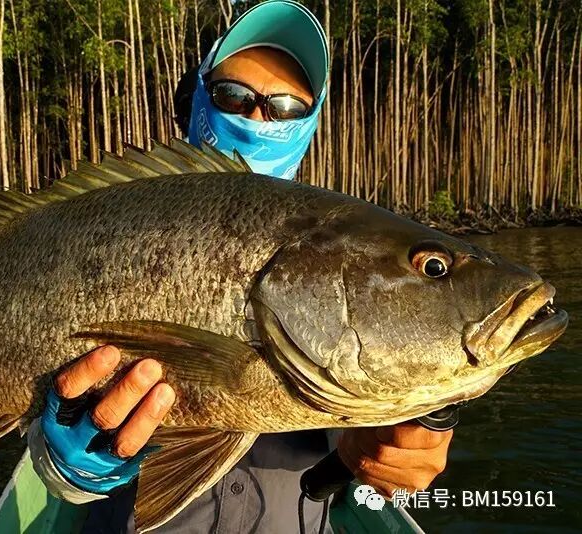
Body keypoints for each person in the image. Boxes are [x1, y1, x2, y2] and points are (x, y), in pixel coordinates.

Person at [28, 2, 452, 532]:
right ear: (195, 98)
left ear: (311, 123)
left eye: (286, 107)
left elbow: (376, 442)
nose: (256, 117)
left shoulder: (351, 244)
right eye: (233, 95)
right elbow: (39, 408)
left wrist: (399, 452)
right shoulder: (121, 212)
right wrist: (66, 467)